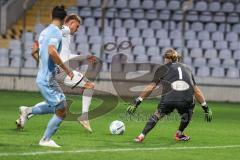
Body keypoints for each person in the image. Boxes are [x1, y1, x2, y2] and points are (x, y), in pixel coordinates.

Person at [16, 14, 95, 132]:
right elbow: (56, 33)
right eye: (77, 26)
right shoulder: (65, 29)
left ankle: (27, 111)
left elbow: (65, 56)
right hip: (61, 70)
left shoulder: (61, 36)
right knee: (89, 86)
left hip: (51, 71)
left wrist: (84, 57)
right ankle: (84, 117)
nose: (77, 29)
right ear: (71, 22)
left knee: (56, 104)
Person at [16, 5, 73, 147]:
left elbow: (44, 55)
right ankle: (45, 140)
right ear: (64, 19)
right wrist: (66, 69)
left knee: (61, 105)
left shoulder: (44, 32)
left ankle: (28, 110)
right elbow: (52, 51)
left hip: (45, 76)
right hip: (47, 79)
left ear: (51, 16)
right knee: (62, 110)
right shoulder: (56, 32)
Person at [127, 48, 213, 142]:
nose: (164, 60)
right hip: (186, 99)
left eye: (165, 58)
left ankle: (141, 135)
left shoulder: (162, 68)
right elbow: (196, 90)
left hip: (169, 98)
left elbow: (151, 86)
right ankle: (179, 133)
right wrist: (205, 107)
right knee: (188, 111)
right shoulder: (188, 69)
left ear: (168, 59)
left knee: (158, 114)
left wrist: (138, 100)